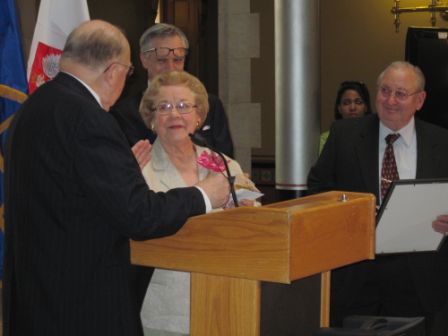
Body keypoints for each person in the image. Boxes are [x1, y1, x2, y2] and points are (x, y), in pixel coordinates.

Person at [3, 20, 231, 336]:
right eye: (127, 73)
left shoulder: (31, 109)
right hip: (82, 307)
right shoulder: (90, 119)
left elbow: (72, 194)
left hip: (35, 298)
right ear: (112, 71)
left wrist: (120, 175)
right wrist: (204, 194)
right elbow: (139, 215)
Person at [308, 61, 448, 335]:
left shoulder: (442, 142)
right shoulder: (344, 136)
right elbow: (317, 189)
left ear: (419, 100)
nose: (391, 100)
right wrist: (349, 214)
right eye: (385, 91)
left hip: (421, 279)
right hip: (357, 275)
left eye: (400, 93)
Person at [136, 70, 257, 335]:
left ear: (199, 117)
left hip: (227, 299)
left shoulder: (224, 163)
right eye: (164, 107)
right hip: (167, 309)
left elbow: (258, 224)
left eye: (183, 106)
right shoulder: (138, 169)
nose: (175, 115)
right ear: (152, 118)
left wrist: (247, 216)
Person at [110, 23, 234, 157]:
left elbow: (225, 160)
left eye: (178, 60)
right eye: (162, 60)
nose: (171, 68)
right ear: (144, 60)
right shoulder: (124, 113)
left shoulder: (210, 104)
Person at [319, 81, 372, 153]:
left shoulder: (374, 136)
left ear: (366, 107)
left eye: (358, 102)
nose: (352, 108)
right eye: (346, 103)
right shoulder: (326, 139)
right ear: (339, 108)